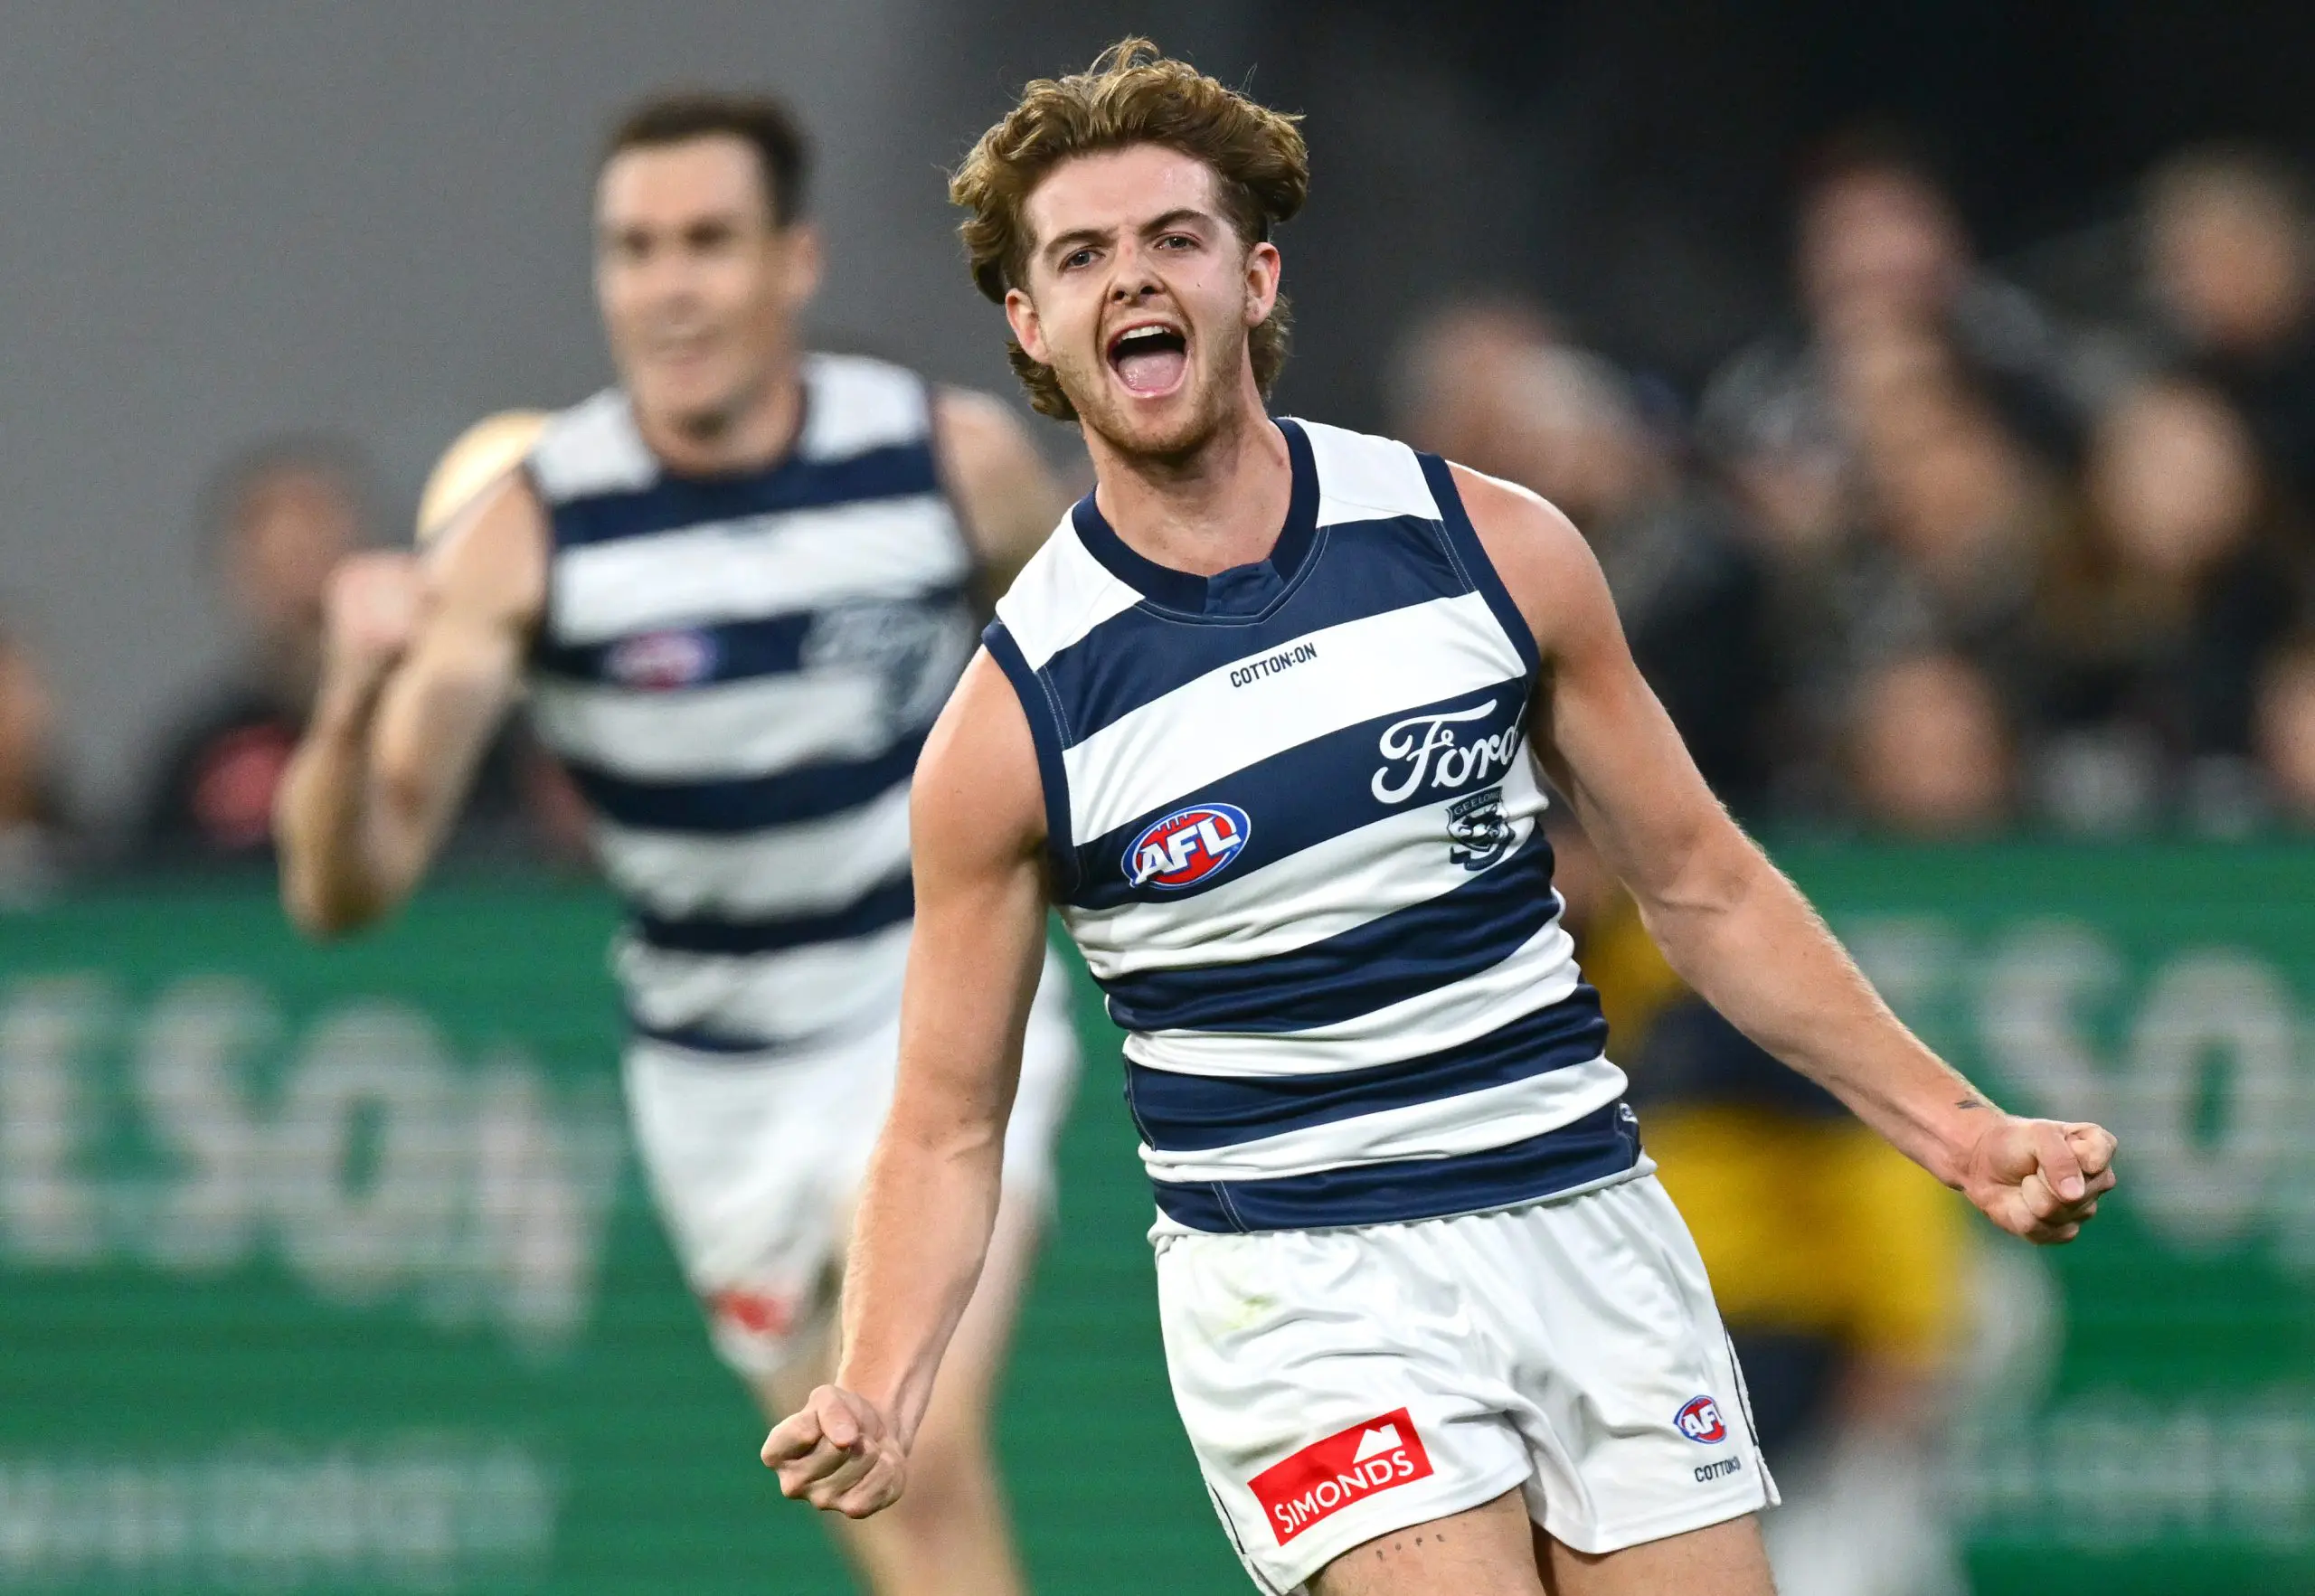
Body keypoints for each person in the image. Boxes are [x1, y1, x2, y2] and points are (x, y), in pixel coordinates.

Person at [764, 41, 2118, 1596]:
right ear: (1032, 322)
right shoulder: (1013, 725)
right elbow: (946, 1120)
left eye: (1173, 239)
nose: (1130, 279)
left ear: (1256, 279)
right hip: (1305, 1296)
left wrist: (1960, 1128)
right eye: (1081, 255)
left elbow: (1704, 887)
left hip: (1582, 1219)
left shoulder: (1490, 547)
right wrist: (878, 1375)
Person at [272, 90, 1081, 1596]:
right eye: (635, 249)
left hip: (932, 1004)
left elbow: (1115, 699)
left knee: (921, 1433)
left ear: (795, 260)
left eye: (709, 241)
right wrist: (348, 699)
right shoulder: (532, 529)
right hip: (711, 1073)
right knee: (873, 1496)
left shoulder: (946, 460)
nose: (670, 286)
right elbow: (347, 890)